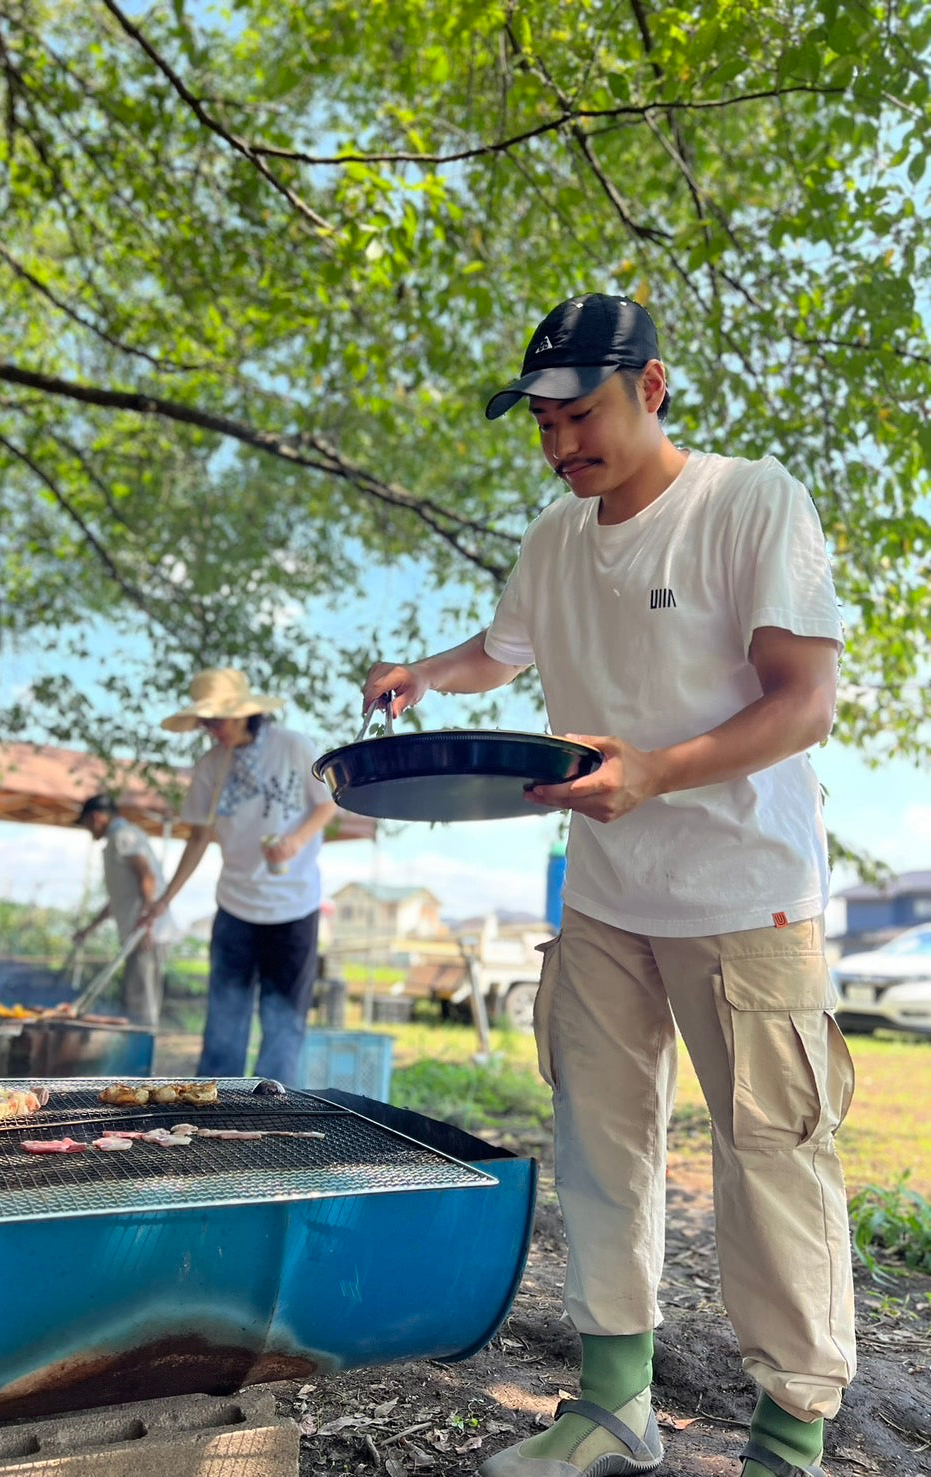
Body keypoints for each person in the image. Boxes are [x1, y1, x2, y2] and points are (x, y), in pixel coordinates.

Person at [362, 293, 854, 1477]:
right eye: (539, 422)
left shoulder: (748, 503)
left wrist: (657, 774)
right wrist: (425, 674)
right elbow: (503, 650)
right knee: (599, 1147)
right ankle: (612, 1402)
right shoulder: (552, 537)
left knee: (771, 1155)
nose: (558, 442)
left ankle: (788, 1437)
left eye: (578, 412)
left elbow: (805, 698)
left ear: (652, 387)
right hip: (601, 894)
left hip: (747, 892)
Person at [139, 667, 337, 1084]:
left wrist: (294, 843)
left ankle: (272, 1111)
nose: (214, 728)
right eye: (207, 721)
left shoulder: (293, 747)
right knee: (224, 1019)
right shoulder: (210, 765)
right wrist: (164, 899)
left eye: (220, 718)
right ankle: (214, 1109)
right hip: (235, 907)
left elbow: (326, 804)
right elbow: (197, 838)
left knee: (284, 1022)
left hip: (294, 905)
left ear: (247, 711)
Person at [72, 793, 176, 1028]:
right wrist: (89, 929)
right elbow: (119, 899)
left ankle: (141, 1061)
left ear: (97, 817)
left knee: (142, 1006)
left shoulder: (124, 836)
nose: (89, 830)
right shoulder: (117, 840)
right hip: (137, 933)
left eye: (87, 824)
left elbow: (146, 876)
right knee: (133, 1001)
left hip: (146, 935)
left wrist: (146, 921)